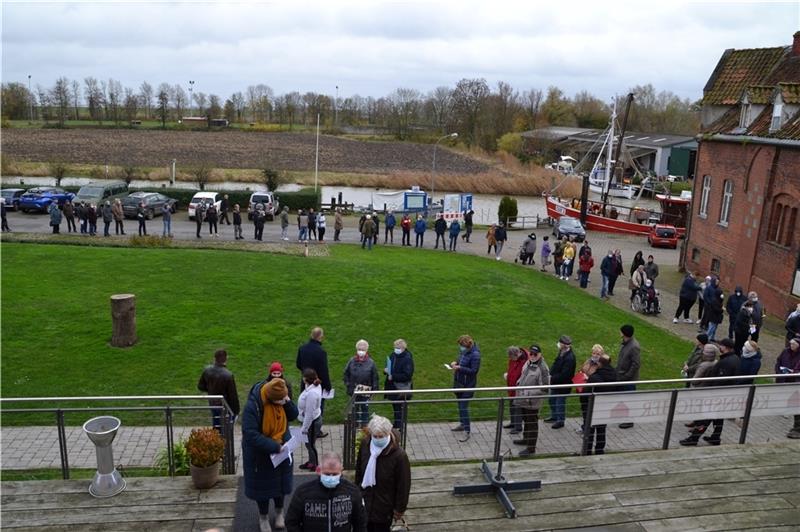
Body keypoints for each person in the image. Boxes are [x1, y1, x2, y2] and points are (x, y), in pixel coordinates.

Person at [242, 376, 298, 532]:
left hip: (282, 451)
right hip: (261, 455)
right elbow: (250, 434)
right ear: (271, 399)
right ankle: (263, 517)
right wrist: (274, 446)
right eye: (280, 400)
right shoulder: (253, 406)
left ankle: (280, 512)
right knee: (263, 489)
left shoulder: (281, 397)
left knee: (280, 484)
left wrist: (287, 401)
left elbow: (293, 415)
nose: (283, 401)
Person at [355, 415, 412, 532]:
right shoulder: (365, 444)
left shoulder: (399, 456)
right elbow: (359, 471)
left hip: (385, 506)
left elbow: (403, 485)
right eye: (374, 436)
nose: (377, 439)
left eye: (381, 436)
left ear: (388, 434)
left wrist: (399, 509)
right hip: (364, 502)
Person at [285, 451, 367, 532]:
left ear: (341, 471)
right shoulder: (303, 492)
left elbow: (360, 523)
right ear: (318, 470)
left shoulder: (352, 492)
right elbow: (291, 522)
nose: (331, 477)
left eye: (335, 474)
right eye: (327, 474)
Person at [680, 338, 738, 446]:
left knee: (705, 418)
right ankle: (715, 437)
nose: (719, 347)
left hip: (717, 395)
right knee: (718, 418)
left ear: (725, 347)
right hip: (724, 395)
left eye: (721, 345)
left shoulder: (726, 362)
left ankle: (694, 438)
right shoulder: (733, 358)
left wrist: (711, 394)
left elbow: (720, 381)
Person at [512, 345, 550, 456]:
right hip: (523, 398)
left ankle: (531, 448)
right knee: (526, 420)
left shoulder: (543, 368)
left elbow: (545, 389)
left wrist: (528, 393)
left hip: (532, 401)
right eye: (531, 354)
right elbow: (524, 375)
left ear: (540, 355)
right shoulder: (528, 362)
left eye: (535, 354)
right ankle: (526, 439)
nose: (532, 356)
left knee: (532, 423)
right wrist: (519, 383)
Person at [296, 327, 331, 438]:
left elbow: (298, 364)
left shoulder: (302, 348)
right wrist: (328, 386)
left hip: (305, 381)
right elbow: (324, 371)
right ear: (321, 337)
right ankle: (315, 430)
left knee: (305, 404)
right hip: (317, 383)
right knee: (317, 408)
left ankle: (305, 427)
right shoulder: (321, 352)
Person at [582, 353, 619, 455]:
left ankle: (587, 450)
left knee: (590, 429)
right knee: (601, 429)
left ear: (600, 364)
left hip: (593, 406)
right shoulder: (614, 374)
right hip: (606, 406)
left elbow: (585, 393)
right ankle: (599, 449)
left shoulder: (595, 377)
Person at [197, 349, 241, 432]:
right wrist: (236, 411)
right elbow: (233, 396)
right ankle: (223, 442)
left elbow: (200, 386)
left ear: (215, 358)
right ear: (226, 359)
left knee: (216, 423)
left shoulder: (207, 370)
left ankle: (216, 441)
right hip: (224, 405)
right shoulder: (228, 375)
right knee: (225, 428)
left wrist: (211, 390)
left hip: (212, 402)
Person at [450, 335, 481, 442]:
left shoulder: (475, 355)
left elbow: (474, 371)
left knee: (463, 407)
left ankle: (467, 431)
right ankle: (462, 424)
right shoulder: (464, 352)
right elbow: (460, 360)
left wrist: (460, 368)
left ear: (467, 345)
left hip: (468, 385)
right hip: (459, 383)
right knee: (460, 405)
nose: (460, 348)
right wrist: (455, 363)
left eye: (461, 345)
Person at [683, 343, 720, 429]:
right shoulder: (715, 362)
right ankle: (696, 422)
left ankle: (697, 426)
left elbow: (695, 380)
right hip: (706, 388)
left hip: (699, 389)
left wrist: (692, 381)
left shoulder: (703, 365)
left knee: (698, 408)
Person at [344, 339, 379, 427]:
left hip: (365, 391)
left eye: (363, 349)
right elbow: (346, 373)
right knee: (354, 408)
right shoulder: (351, 361)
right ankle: (354, 425)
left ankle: (364, 426)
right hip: (353, 391)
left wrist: (374, 391)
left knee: (365, 409)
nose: (361, 351)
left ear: (366, 350)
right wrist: (348, 384)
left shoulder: (371, 363)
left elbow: (375, 377)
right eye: (359, 349)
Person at [546, 335, 576, 429]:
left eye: (560, 343)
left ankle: (560, 420)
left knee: (559, 403)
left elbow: (565, 375)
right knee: (552, 400)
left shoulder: (570, 358)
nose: (558, 344)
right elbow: (556, 363)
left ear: (564, 345)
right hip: (556, 383)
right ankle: (554, 416)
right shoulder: (562, 352)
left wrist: (551, 378)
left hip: (563, 385)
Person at [384, 339, 414, 431]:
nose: (396, 349)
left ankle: (400, 426)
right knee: (395, 407)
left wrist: (393, 376)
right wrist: (386, 370)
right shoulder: (393, 355)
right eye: (395, 347)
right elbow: (390, 366)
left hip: (401, 388)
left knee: (400, 408)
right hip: (393, 387)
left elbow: (407, 375)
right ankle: (397, 425)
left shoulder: (407, 359)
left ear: (403, 348)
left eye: (398, 348)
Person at [297, 368, 323, 471]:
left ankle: (315, 464)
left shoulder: (312, 393)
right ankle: (311, 461)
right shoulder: (312, 386)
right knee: (308, 444)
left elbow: (309, 414)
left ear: (306, 379)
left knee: (310, 444)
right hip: (312, 420)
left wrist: (304, 428)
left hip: (312, 422)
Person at [576, 344, 605, 433]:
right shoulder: (588, 361)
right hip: (583, 389)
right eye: (594, 353)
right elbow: (582, 369)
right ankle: (585, 426)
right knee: (584, 409)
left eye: (598, 354)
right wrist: (581, 373)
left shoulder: (601, 365)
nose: (595, 355)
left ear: (601, 355)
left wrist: (588, 378)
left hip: (592, 391)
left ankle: (589, 428)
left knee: (590, 410)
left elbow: (599, 378)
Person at [776, 337, 800, 439]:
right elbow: (779, 361)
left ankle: (797, 429)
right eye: (791, 344)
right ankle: (796, 428)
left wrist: (793, 373)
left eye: (794, 344)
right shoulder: (786, 351)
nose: (791, 346)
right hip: (786, 378)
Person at [617, 324, 640, 429]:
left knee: (628, 400)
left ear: (624, 333)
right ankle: (623, 417)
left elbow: (636, 364)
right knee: (623, 398)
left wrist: (627, 376)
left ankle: (629, 421)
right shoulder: (626, 343)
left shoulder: (634, 346)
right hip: (622, 376)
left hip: (628, 379)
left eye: (620, 331)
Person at [503, 346, 527, 434]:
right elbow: (511, 370)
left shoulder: (524, 362)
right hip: (511, 387)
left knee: (517, 407)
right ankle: (513, 423)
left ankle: (518, 427)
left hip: (519, 389)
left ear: (516, 355)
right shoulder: (513, 360)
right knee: (512, 406)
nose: (510, 359)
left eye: (511, 357)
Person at [704, 277, 724, 341]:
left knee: (714, 327)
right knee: (711, 327)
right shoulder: (714, 301)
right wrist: (722, 309)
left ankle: (712, 337)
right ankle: (706, 338)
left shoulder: (718, 299)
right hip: (713, 316)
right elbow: (716, 309)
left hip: (716, 316)